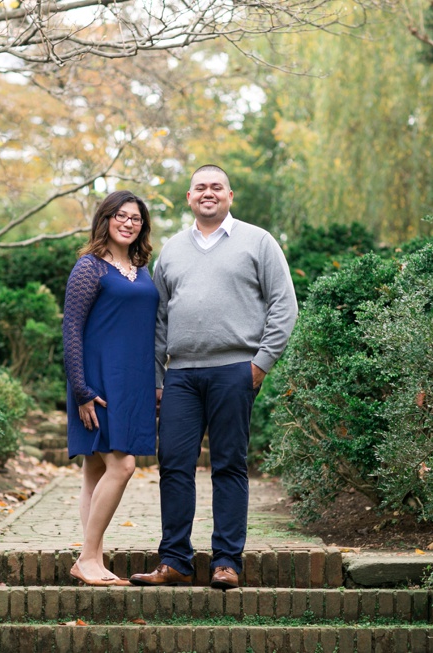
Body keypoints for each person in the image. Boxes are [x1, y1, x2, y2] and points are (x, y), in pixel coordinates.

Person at [130, 165, 298, 590]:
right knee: (174, 466)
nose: (208, 193)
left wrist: (260, 364)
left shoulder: (258, 241)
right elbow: (158, 321)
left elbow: (284, 305)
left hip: (234, 371)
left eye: (216, 187)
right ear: (189, 197)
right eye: (201, 187)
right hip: (181, 376)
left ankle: (227, 561)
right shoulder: (170, 251)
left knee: (228, 465)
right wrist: (157, 379)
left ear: (230, 195)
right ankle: (175, 561)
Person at [62, 190, 159, 587]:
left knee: (96, 470)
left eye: (136, 218)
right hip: (98, 382)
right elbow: (71, 329)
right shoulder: (90, 268)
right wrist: (82, 390)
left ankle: (96, 561)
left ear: (142, 226)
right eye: (121, 215)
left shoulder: (142, 268)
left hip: (133, 381)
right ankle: (86, 558)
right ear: (105, 219)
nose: (128, 222)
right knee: (122, 465)